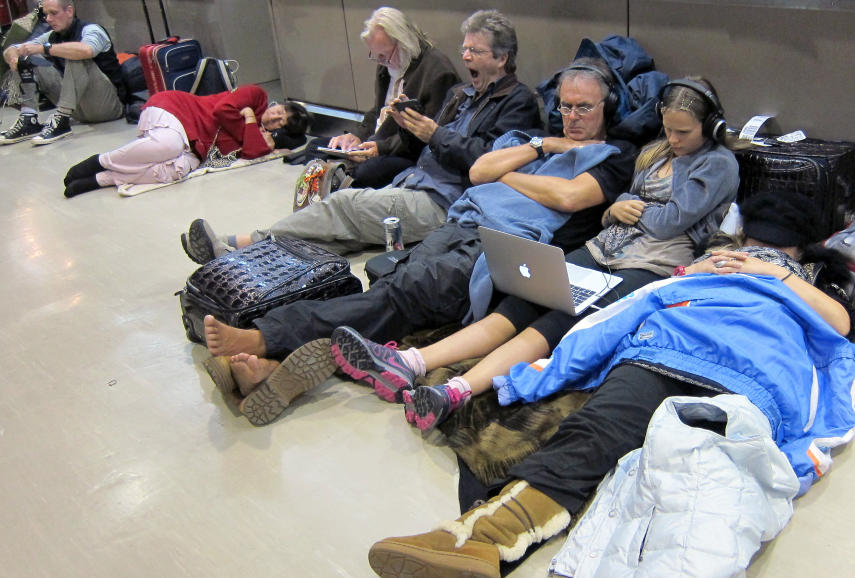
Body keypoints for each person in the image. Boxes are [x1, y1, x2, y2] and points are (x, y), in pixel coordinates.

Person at [365, 191, 855, 578]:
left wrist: (771, 272)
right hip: (668, 350)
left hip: (755, 376)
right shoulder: (712, 263)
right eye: (756, 243)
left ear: (801, 249)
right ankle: (478, 538)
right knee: (593, 433)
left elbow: (839, 327)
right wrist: (549, 370)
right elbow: (644, 301)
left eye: (774, 246)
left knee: (697, 488)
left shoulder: (814, 281)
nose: (760, 251)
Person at [202, 58, 637, 426]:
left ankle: (263, 338)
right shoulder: (537, 142)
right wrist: (543, 145)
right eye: (566, 106)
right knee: (394, 290)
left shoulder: (615, 156)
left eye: (584, 107)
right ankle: (275, 368)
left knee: (401, 294)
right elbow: (480, 171)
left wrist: (508, 175)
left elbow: (568, 196)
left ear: (607, 107)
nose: (573, 116)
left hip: (502, 250)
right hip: (462, 223)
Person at [331, 77, 743, 431]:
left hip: (649, 265)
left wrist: (630, 209)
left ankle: (455, 391)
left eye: (683, 133)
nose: (672, 140)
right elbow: (623, 203)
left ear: (710, 127)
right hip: (603, 248)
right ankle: (411, 362)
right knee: (522, 302)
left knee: (557, 319)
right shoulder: (659, 155)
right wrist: (616, 208)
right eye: (668, 130)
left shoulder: (718, 163)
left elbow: (671, 222)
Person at [180, 9, 540, 264]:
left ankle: (240, 245)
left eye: (474, 51)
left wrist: (434, 134)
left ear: (502, 57)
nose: (465, 57)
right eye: (464, 48)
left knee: (345, 204)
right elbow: (420, 147)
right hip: (415, 182)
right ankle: (249, 260)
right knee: (334, 238)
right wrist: (408, 126)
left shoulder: (518, 102)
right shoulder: (462, 93)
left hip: (446, 202)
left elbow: (489, 163)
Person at [59, 84, 308, 198]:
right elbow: (222, 110)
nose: (275, 118)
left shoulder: (256, 128)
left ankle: (103, 179)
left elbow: (252, 152)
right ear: (279, 105)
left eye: (280, 123)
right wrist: (248, 123)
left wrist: (250, 121)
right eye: (280, 112)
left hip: (196, 147)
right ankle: (100, 161)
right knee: (169, 146)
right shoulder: (256, 95)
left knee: (175, 170)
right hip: (178, 111)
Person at [327, 6, 460, 188]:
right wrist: (357, 136)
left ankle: (343, 181)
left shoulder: (438, 72)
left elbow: (428, 135)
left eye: (384, 55)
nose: (381, 61)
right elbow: (377, 112)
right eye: (376, 55)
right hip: (378, 140)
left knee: (367, 171)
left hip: (407, 152)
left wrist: (380, 148)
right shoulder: (387, 64)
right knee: (322, 148)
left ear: (404, 44)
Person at [0, 0, 123, 146]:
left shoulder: (92, 30)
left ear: (69, 11)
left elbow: (87, 50)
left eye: (53, 13)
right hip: (77, 108)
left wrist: (45, 49)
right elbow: (13, 48)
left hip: (108, 106)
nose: (49, 19)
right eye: (46, 15)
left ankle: (62, 119)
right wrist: (14, 56)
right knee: (24, 58)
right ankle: (29, 117)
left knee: (75, 54)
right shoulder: (52, 35)